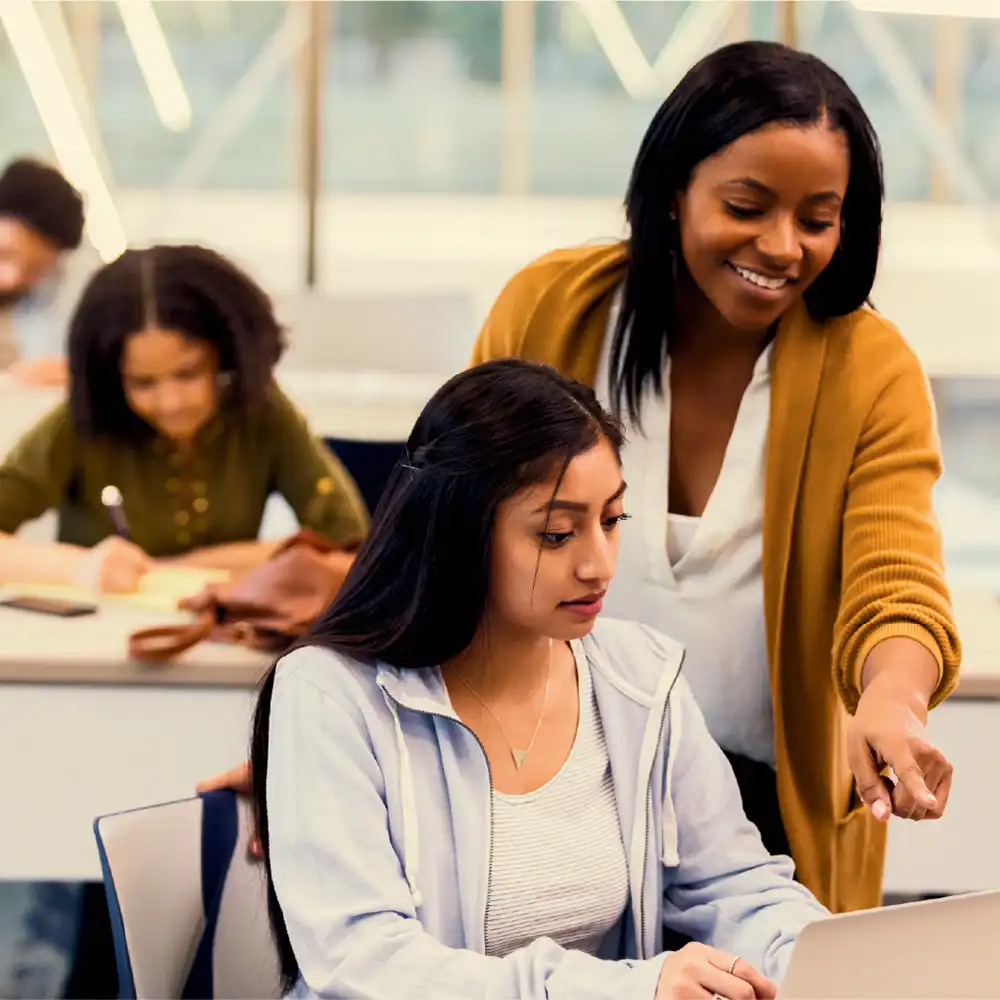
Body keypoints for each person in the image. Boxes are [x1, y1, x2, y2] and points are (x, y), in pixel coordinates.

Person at [469, 40, 961, 914]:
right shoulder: (551, 311)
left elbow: (897, 580)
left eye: (818, 218)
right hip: (545, 785)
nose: (781, 247)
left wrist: (893, 699)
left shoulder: (869, 369)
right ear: (671, 194)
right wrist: (347, 733)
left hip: (768, 817)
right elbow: (441, 531)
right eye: (746, 206)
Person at [251, 358, 829, 1000]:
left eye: (611, 521)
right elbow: (363, 963)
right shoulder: (332, 695)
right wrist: (629, 990)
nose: (598, 564)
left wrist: (824, 959)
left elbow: (735, 887)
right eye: (557, 534)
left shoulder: (640, 678)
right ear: (460, 529)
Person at [0, 243, 369, 588]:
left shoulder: (261, 408)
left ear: (226, 355)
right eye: (142, 383)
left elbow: (351, 547)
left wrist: (177, 569)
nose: (170, 402)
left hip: (224, 647)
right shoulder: (84, 419)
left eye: (188, 374)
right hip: (97, 646)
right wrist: (82, 568)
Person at [0, 157, 94, 387]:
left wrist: (77, 371)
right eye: (4, 254)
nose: (11, 278)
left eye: (35, 269)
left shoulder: (69, 284)